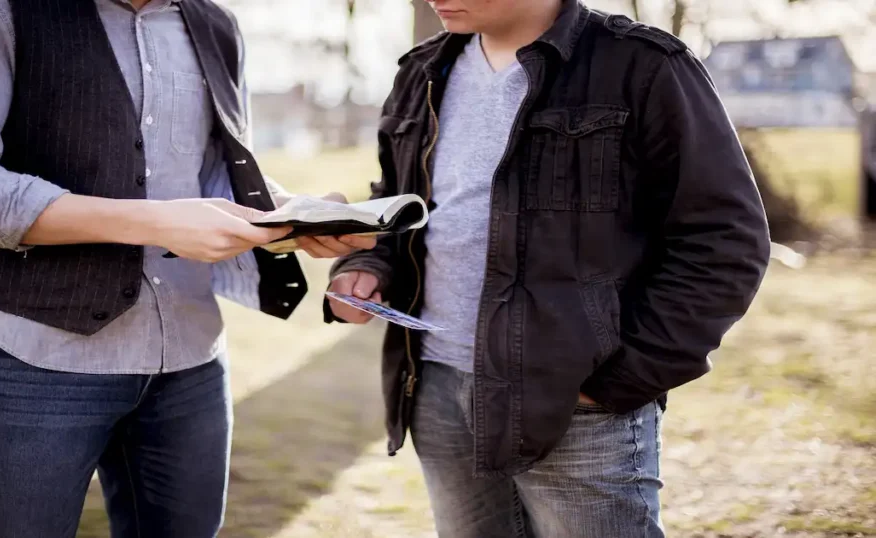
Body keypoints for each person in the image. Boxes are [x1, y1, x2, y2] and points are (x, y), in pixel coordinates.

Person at [0, 0, 373, 536]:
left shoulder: (216, 24)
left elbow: (207, 177)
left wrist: (295, 218)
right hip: (31, 353)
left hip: (190, 358)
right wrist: (153, 222)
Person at [326, 0, 771, 536]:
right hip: (437, 389)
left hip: (576, 405)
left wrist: (620, 380)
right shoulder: (420, 71)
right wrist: (369, 263)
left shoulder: (643, 65)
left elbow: (725, 241)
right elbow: (397, 203)